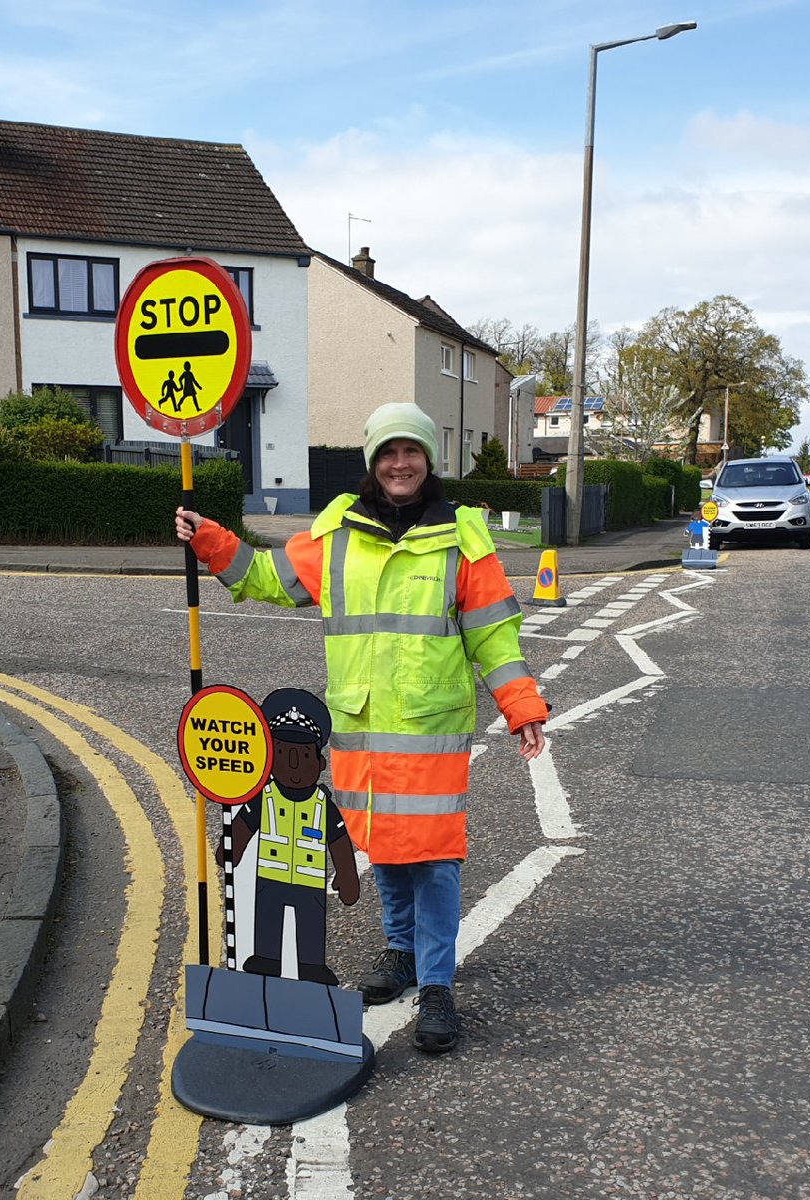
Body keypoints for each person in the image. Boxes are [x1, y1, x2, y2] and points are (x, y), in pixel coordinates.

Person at [176, 401, 547, 1053]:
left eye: (411, 451)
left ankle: (436, 984)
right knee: (386, 851)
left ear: (429, 459)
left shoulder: (462, 540)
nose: (400, 464)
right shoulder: (336, 536)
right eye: (388, 453)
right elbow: (265, 578)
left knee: (434, 859)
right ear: (373, 462)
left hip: (429, 736)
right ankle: (401, 951)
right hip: (360, 733)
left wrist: (521, 707)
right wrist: (211, 540)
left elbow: (493, 636)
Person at [216, 687, 359, 986]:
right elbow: (243, 826)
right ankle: (266, 958)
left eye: (304, 755)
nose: (294, 765)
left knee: (310, 927)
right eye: (283, 753)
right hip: (270, 879)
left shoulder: (322, 804)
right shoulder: (264, 797)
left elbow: (339, 841)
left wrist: (347, 876)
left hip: (310, 884)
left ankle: (311, 966)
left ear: (319, 763)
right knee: (267, 921)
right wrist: (231, 850)